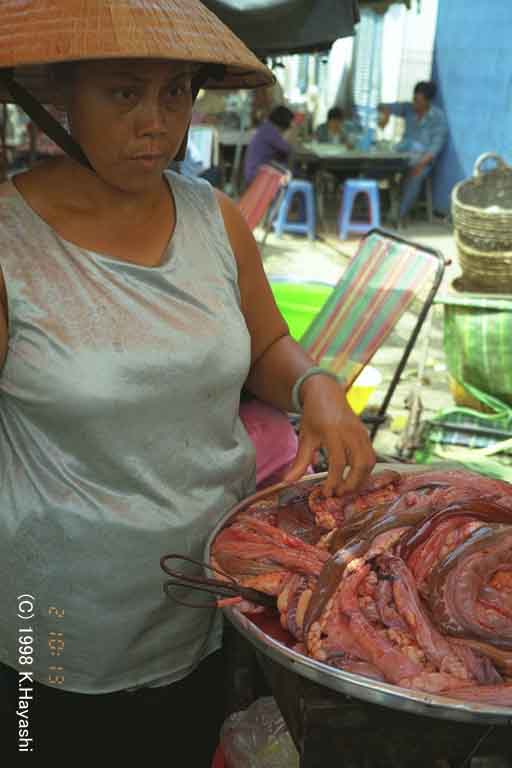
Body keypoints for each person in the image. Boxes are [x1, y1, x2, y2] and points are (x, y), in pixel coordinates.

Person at [0, 0, 375, 761]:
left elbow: (268, 341)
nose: (156, 122)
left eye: (176, 93)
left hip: (208, 599)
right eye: (124, 92)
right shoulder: (11, 241)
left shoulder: (214, 218)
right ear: (62, 95)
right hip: (57, 624)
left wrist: (316, 387)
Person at [379, 80, 448, 223]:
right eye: (414, 99)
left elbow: (435, 147)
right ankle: (384, 207)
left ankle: (399, 215)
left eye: (419, 101)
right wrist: (385, 113)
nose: (415, 103)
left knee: (414, 178)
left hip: (423, 160)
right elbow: (382, 106)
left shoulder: (438, 118)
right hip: (402, 155)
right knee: (381, 168)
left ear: (428, 101)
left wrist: (421, 164)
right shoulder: (408, 109)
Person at [243, 105, 296, 187]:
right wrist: (291, 132)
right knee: (292, 171)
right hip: (256, 175)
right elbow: (288, 149)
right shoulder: (270, 131)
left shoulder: (266, 127)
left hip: (254, 172)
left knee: (284, 164)